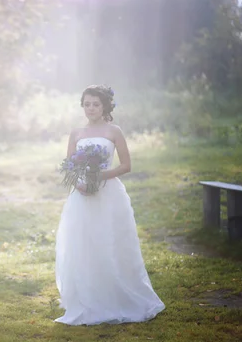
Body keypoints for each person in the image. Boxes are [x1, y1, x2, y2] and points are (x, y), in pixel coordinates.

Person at [54, 85, 165, 325]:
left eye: (95, 104)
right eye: (86, 104)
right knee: (84, 243)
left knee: (110, 241)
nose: (91, 108)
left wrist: (100, 177)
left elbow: (126, 165)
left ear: (105, 106)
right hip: (82, 195)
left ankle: (116, 294)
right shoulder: (76, 133)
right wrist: (80, 184)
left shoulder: (114, 131)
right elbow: (70, 165)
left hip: (109, 194)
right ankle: (86, 297)